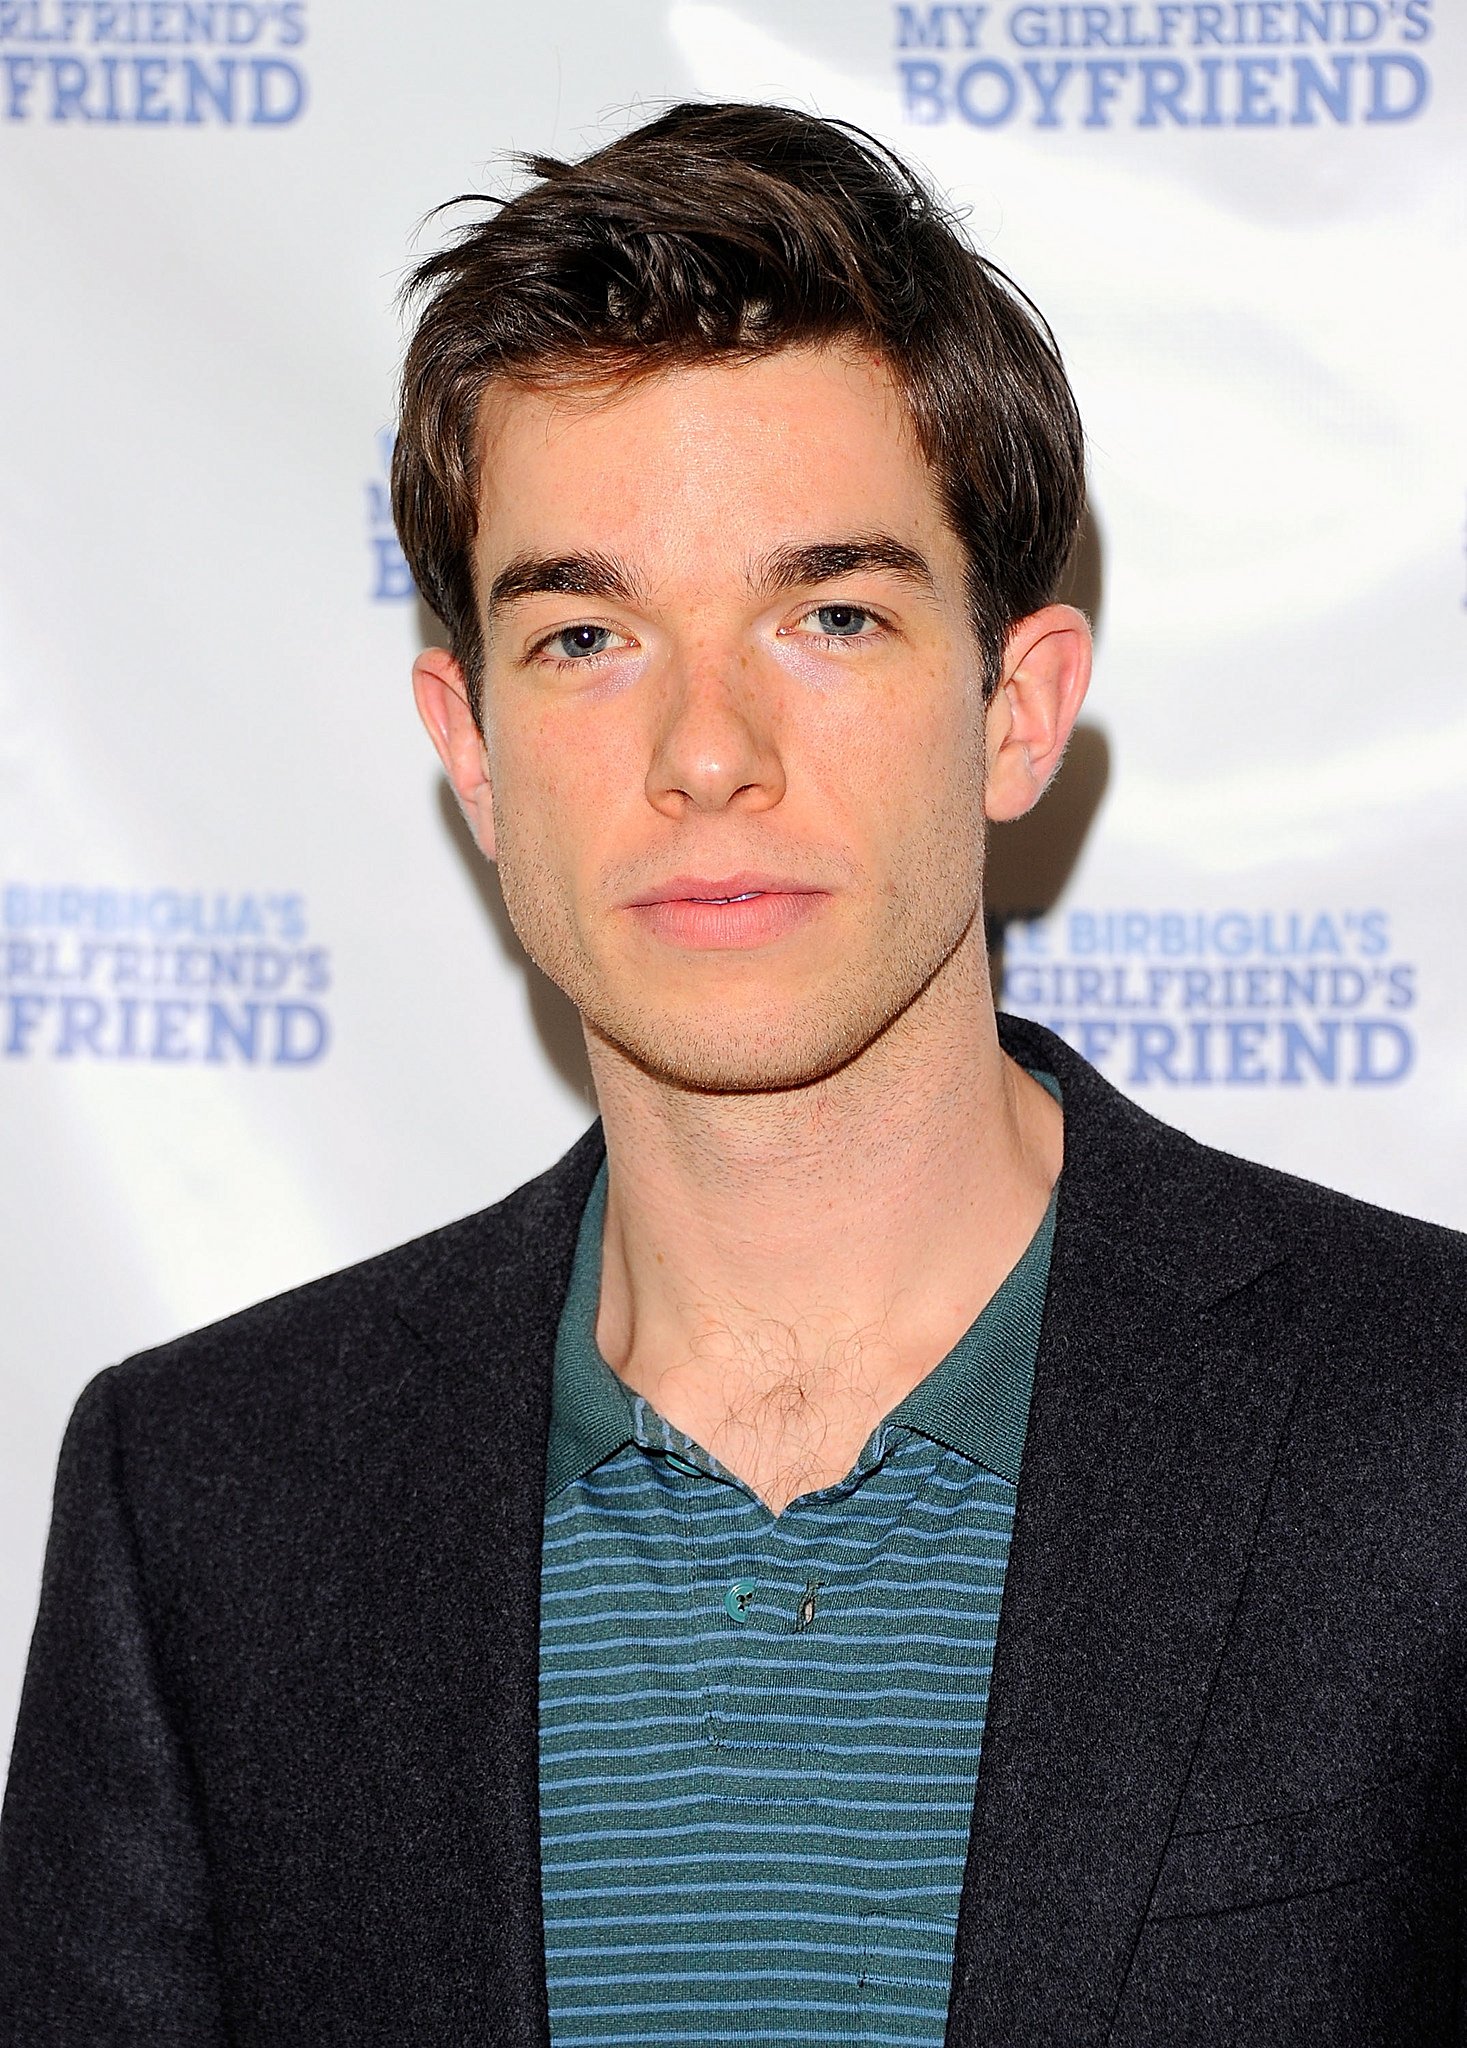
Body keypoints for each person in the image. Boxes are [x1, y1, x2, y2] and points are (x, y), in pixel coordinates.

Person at [1, 100, 1463, 2048]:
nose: (707, 751)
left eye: (828, 615)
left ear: (1015, 710)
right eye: (587, 633)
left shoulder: (1426, 1427)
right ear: (469, 746)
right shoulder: (203, 1506)